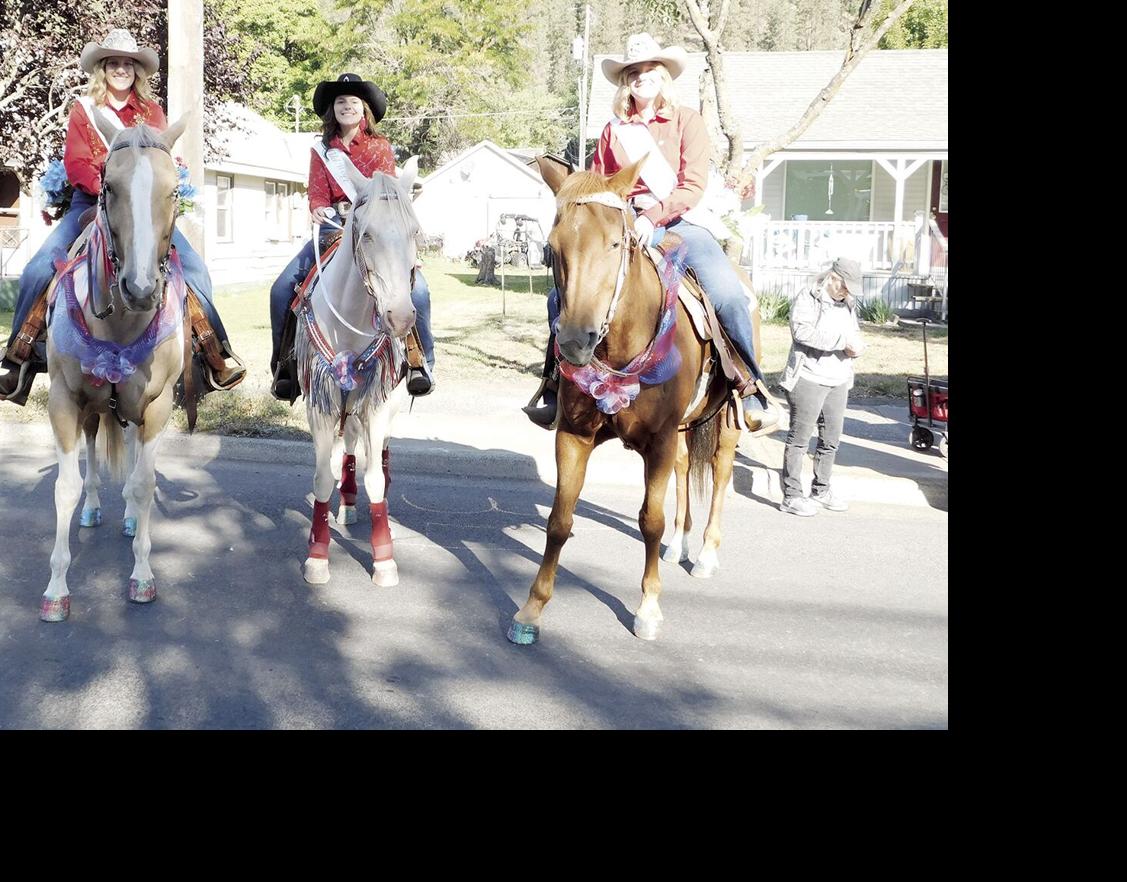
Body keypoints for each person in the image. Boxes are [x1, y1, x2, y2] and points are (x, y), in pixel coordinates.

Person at [523, 33, 777, 430]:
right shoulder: (612, 131)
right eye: (633, 72)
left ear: (663, 77)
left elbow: (692, 185)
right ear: (626, 81)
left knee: (728, 294)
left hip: (682, 224)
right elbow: (600, 187)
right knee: (561, 297)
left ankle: (749, 386)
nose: (641, 77)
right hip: (624, 226)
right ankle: (555, 383)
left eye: (649, 70)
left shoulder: (686, 121)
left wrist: (652, 216)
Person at [0, 28, 243, 405]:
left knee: (194, 269)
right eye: (113, 62)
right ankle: (19, 357)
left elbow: (161, 163)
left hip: (145, 210)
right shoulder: (84, 110)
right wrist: (113, 191)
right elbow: (77, 163)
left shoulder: (152, 113)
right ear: (102, 68)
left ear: (137, 71)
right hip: (91, 203)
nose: (121, 69)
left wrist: (144, 192)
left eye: (128, 63)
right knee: (39, 268)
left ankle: (212, 355)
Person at [269, 73, 435, 401]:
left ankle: (420, 361)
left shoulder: (380, 147)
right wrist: (316, 206)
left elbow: (386, 194)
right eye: (341, 102)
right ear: (333, 109)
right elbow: (316, 191)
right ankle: (285, 366)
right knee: (282, 289)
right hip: (332, 230)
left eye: (353, 102)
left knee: (420, 293)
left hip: (372, 234)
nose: (347, 107)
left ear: (365, 111)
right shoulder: (321, 151)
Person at [778, 257, 866, 517]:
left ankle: (821, 489)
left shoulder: (849, 303)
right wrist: (842, 342)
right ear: (832, 278)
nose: (845, 292)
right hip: (808, 378)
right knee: (800, 439)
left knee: (831, 440)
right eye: (844, 286)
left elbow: (854, 333)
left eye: (850, 289)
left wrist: (857, 346)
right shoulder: (808, 297)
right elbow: (802, 333)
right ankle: (792, 495)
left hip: (838, 380)